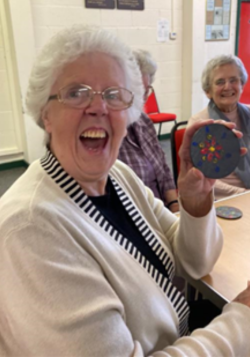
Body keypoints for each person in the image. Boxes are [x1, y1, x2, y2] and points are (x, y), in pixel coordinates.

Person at [0, 25, 250, 356]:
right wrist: (242, 319)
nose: (98, 107)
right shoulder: (30, 229)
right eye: (76, 92)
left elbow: (195, 261)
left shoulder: (119, 175)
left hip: (182, 330)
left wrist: (196, 199)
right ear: (45, 114)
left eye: (114, 94)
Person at [118, 49, 179, 213]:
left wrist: (175, 206)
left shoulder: (144, 122)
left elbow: (164, 170)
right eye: (135, 91)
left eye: (145, 91)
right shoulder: (107, 133)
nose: (142, 98)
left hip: (162, 214)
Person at [188, 55, 250, 199]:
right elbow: (201, 178)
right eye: (220, 82)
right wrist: (242, 195)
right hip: (225, 198)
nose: (228, 87)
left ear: (242, 85)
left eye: (233, 80)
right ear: (208, 91)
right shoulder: (200, 124)